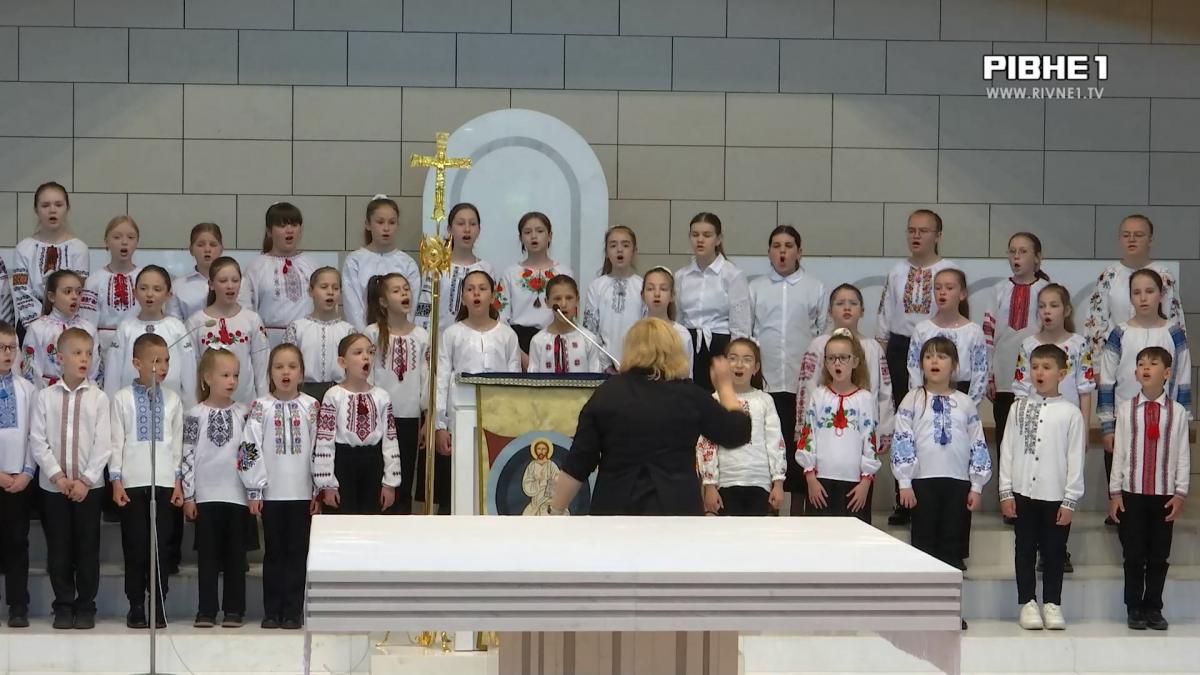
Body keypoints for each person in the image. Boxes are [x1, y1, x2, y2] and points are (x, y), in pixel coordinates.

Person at [548, 318, 751, 516]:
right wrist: (725, 387)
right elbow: (737, 432)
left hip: (614, 510)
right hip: (678, 510)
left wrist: (555, 511)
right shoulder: (689, 395)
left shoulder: (607, 394)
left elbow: (579, 462)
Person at [876, 209, 959, 525]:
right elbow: (885, 316)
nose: (916, 235)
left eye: (923, 231)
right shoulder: (897, 271)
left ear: (938, 235)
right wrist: (882, 358)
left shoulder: (948, 271)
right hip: (900, 349)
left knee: (935, 421)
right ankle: (903, 498)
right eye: (911, 230)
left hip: (938, 349)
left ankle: (935, 495)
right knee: (905, 423)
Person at [998, 344, 1085, 631]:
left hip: (1055, 495)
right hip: (1023, 493)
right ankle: (1027, 602)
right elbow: (1007, 450)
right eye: (1035, 367)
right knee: (1024, 548)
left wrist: (1070, 499)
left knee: (1054, 551)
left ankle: (1052, 603)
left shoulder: (1071, 413)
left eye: (1046, 367)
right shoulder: (1018, 408)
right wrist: (1006, 491)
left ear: (1062, 373)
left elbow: (1075, 458)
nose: (1039, 372)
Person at [29, 328, 112, 629]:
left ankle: (86, 605)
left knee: (87, 548)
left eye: (89, 353)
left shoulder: (99, 398)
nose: (84, 359)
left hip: (89, 489)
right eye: (77, 353)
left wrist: (85, 480)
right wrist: (58, 477)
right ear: (60, 358)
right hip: (54, 488)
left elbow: (104, 444)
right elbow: (38, 440)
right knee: (59, 549)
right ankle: (63, 605)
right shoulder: (45, 397)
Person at [892, 337, 991, 577]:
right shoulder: (913, 399)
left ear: (954, 365)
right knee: (924, 547)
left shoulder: (965, 403)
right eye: (928, 357)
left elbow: (977, 442)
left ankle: (952, 598)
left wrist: (976, 486)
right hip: (923, 481)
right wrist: (904, 482)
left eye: (942, 357)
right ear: (921, 365)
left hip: (958, 482)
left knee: (952, 546)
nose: (934, 361)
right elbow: (902, 438)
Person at [238, 343, 321, 630]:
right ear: (270, 373)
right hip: (272, 494)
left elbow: (319, 448)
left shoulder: (311, 407)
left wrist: (318, 489)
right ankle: (272, 611)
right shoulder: (260, 407)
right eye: (279, 367)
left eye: (292, 367)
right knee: (273, 553)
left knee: (298, 553)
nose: (286, 372)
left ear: (302, 373)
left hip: (302, 494)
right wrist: (254, 489)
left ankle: (293, 611)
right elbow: (248, 448)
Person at [1099, 269, 1191, 521]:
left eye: (1149, 291)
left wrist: (1183, 420)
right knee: (1125, 505)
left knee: (1159, 498)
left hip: (1165, 424)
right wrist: (1107, 426)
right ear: (1130, 297)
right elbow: (1106, 381)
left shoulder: (1174, 333)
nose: (1143, 298)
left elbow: (1183, 378)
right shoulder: (1119, 333)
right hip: (1125, 424)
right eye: (1136, 292)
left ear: (1161, 295)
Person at [1109, 346, 1190, 631]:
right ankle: (1133, 607)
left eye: (1153, 364)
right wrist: (1115, 493)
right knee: (1133, 554)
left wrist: (1180, 493)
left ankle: (1153, 606)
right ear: (1135, 373)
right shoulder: (1126, 410)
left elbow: (1182, 454)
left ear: (1166, 373)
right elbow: (1120, 453)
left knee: (1158, 555)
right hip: (1132, 493)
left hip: (1164, 494)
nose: (1145, 368)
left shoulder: (1177, 412)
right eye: (1141, 363)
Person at [108, 333, 184, 629]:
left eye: (166, 360)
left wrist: (177, 481)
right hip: (132, 483)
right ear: (136, 363)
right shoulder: (122, 398)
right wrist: (116, 480)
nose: (162, 367)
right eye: (155, 361)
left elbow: (176, 445)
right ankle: (136, 605)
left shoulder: (173, 400)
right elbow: (116, 442)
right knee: (136, 546)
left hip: (163, 484)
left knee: (160, 547)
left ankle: (159, 604)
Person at [797, 285, 893, 515]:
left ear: (863, 310)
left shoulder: (873, 348)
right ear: (830, 311)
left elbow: (885, 392)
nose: (847, 308)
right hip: (822, 450)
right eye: (840, 303)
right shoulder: (818, 345)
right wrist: (800, 428)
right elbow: (805, 388)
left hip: (859, 446)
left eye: (853, 303)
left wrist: (885, 430)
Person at [1012, 284, 1095, 550]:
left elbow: (1085, 390)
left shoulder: (1079, 344)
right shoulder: (1028, 345)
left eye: (1054, 305)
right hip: (1033, 426)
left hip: (1064, 429)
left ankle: (1059, 547)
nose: (1047, 311)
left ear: (1066, 310)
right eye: (1042, 306)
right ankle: (1034, 544)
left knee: (1062, 485)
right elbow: (1021, 391)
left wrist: (1083, 431)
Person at [433, 271, 521, 513]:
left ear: (492, 296)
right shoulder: (452, 334)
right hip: (459, 419)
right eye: (470, 289)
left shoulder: (507, 335)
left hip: (498, 419)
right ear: (462, 298)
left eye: (482, 288)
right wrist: (440, 425)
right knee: (458, 483)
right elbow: (441, 379)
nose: (476, 294)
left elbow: (514, 381)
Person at [750, 225, 827, 493]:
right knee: (769, 445)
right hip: (767, 383)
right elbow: (748, 334)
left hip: (802, 385)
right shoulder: (756, 288)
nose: (782, 252)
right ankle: (769, 504)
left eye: (788, 246)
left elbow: (822, 334)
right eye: (776, 246)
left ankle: (798, 509)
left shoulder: (815, 287)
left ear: (799, 252)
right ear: (769, 252)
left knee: (799, 450)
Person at [181, 348, 252, 628]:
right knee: (208, 558)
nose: (231, 381)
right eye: (225, 375)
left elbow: (250, 452)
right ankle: (206, 610)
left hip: (237, 496)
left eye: (235, 375)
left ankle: (235, 610)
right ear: (207, 378)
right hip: (206, 496)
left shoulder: (244, 414)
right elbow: (187, 454)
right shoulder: (194, 414)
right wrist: (189, 495)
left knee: (236, 556)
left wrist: (253, 490)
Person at [796, 328, 880, 523]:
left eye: (843, 357)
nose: (837, 363)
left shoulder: (865, 398)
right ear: (825, 363)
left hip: (855, 485)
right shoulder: (819, 395)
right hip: (820, 483)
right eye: (831, 358)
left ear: (855, 362)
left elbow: (870, 441)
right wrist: (810, 478)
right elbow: (808, 436)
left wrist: (865, 482)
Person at [313, 334, 402, 515]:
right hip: (343, 464)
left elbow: (390, 440)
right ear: (342, 362)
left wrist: (390, 483)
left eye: (370, 352)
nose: (365, 357)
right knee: (342, 520)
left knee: (370, 520)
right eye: (358, 352)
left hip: (373, 463)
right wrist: (327, 484)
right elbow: (324, 440)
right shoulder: (333, 396)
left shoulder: (382, 397)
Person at [697, 338, 786, 517]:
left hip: (759, 483)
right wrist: (710, 485)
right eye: (733, 358)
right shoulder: (715, 400)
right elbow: (706, 444)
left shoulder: (765, 400)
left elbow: (775, 441)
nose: (739, 364)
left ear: (756, 367)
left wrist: (778, 482)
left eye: (747, 359)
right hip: (726, 483)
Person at [364, 273, 429, 515]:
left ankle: (403, 521)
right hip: (380, 418)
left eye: (406, 289)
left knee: (405, 475)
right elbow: (367, 375)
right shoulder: (372, 333)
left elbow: (426, 378)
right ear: (383, 301)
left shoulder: (421, 335)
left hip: (410, 417)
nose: (404, 293)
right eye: (396, 290)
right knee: (380, 476)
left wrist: (427, 416)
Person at [1084, 215, 1185, 365]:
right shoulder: (1108, 276)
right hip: (1116, 360)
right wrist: (1097, 366)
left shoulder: (1164, 276)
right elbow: (1096, 323)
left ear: (1150, 240)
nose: (1131, 239)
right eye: (1126, 235)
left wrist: (1173, 364)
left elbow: (1174, 321)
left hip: (1156, 361)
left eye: (1138, 235)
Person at [984, 232, 1050, 454]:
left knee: (1035, 444)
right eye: (1012, 252)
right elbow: (988, 335)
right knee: (1005, 443)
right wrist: (989, 375)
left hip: (1038, 381)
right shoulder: (999, 290)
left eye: (1023, 251)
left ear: (1037, 257)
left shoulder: (1047, 290)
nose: (1016, 257)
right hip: (1004, 380)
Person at [675, 212, 751, 392]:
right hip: (689, 343)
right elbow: (678, 318)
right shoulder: (681, 276)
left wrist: (736, 358)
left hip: (720, 344)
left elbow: (740, 325)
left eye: (707, 235)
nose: (700, 240)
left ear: (718, 239)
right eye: (695, 235)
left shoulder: (732, 275)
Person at [105, 266, 198, 408]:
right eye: (143, 288)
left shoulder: (176, 327)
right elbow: (113, 374)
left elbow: (189, 375)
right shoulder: (126, 327)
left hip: (170, 408)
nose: (149, 294)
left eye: (157, 289)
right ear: (135, 293)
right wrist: (112, 408)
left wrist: (189, 410)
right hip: (131, 408)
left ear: (168, 295)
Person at [187, 257, 270, 405]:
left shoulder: (252, 320)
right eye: (223, 281)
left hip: (246, 404)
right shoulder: (196, 322)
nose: (230, 286)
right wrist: (193, 406)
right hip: (208, 406)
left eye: (235, 280)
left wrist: (263, 404)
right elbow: (192, 371)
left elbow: (261, 367)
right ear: (211, 284)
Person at [495, 212, 574, 361]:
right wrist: (519, 354)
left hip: (554, 341)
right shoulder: (510, 274)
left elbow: (570, 315)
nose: (533, 236)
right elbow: (501, 318)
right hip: (518, 344)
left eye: (540, 231)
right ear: (520, 238)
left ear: (550, 236)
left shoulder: (564, 272)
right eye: (527, 232)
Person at [240, 202, 319, 346]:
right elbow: (245, 308)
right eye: (282, 226)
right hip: (268, 342)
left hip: (307, 339)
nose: (289, 230)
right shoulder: (256, 267)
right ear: (269, 231)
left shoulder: (312, 265)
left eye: (294, 225)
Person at [0, 321, 36, 628]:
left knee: (17, 541)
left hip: (19, 479)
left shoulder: (27, 389)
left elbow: (33, 435)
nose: (8, 354)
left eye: (12, 347)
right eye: (1, 348)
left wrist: (26, 472)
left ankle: (18, 606)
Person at [13, 182, 87, 329]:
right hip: (30, 323)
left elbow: (80, 290)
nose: (52, 210)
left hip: (68, 323)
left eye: (58, 205)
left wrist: (61, 324)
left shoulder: (79, 248)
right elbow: (21, 291)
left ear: (67, 208)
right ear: (36, 209)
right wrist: (38, 326)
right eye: (45, 205)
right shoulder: (24, 248)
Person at [907, 268, 987, 404]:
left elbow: (980, 375)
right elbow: (914, 370)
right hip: (927, 397)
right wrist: (919, 402)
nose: (942, 292)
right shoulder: (922, 330)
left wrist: (969, 407)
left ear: (962, 294)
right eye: (938, 288)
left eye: (949, 288)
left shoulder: (973, 332)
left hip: (963, 398)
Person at [79, 215, 142, 387]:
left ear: (137, 242)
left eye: (131, 237)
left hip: (138, 345)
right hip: (104, 350)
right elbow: (87, 324)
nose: (124, 242)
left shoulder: (143, 278)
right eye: (117, 237)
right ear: (106, 241)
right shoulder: (94, 280)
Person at [344, 196, 422, 331]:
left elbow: (411, 306)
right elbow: (353, 307)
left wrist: (400, 334)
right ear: (368, 224)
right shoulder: (354, 261)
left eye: (392, 222)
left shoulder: (407, 263)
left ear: (397, 225)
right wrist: (366, 337)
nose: (386, 228)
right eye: (380, 222)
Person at [414, 202, 491, 335]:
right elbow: (425, 308)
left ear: (479, 230)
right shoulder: (436, 267)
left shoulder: (486, 269)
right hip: (439, 341)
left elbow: (492, 311)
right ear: (450, 229)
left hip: (475, 341)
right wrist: (423, 340)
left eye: (472, 224)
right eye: (461, 224)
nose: (467, 229)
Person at [282, 267, 354, 403]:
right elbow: (286, 363)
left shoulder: (348, 331)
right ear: (311, 291)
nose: (330, 292)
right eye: (324, 287)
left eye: (335, 288)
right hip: (303, 396)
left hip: (339, 396)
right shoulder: (297, 328)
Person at [22, 270, 99, 388]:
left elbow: (94, 370)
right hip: (48, 393)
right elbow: (31, 371)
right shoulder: (38, 328)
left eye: (78, 292)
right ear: (51, 296)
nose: (74, 296)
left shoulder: (88, 329)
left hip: (82, 393)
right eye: (68, 292)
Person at [582, 225, 643, 369]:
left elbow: (647, 328)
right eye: (613, 245)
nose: (619, 250)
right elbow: (590, 330)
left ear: (634, 251)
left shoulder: (643, 286)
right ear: (606, 252)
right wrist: (605, 365)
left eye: (625, 245)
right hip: (603, 366)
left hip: (637, 364)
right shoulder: (596, 286)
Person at [527, 275, 604, 374]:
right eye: (557, 298)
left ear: (577, 300)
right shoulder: (538, 341)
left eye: (569, 298)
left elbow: (596, 377)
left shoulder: (589, 340)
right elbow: (533, 379)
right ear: (547, 302)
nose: (563, 304)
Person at [641, 266, 693, 375]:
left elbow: (687, 374)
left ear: (672, 295)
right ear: (642, 295)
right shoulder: (636, 333)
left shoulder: (682, 334)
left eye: (663, 289)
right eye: (650, 289)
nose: (657, 294)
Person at [168, 223, 224, 322]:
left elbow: (244, 318)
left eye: (213, 245)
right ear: (191, 250)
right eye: (200, 245)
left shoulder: (238, 283)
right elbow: (173, 325)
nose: (207, 250)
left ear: (221, 249)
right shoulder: (177, 286)